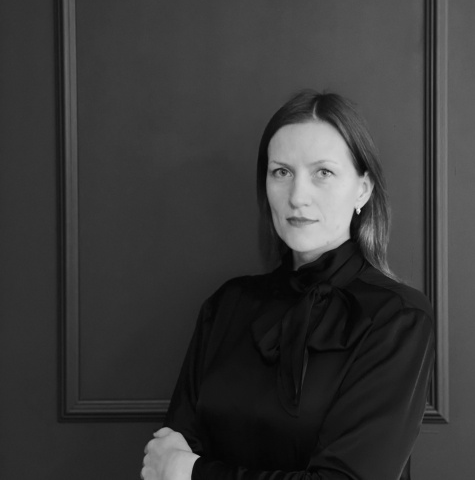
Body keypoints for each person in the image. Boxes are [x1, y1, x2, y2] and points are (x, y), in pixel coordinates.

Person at [141, 90, 435, 480]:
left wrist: (193, 472)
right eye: (281, 172)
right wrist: (180, 468)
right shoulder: (228, 304)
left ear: (363, 189)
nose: (297, 196)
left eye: (323, 173)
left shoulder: (398, 319)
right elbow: (165, 460)